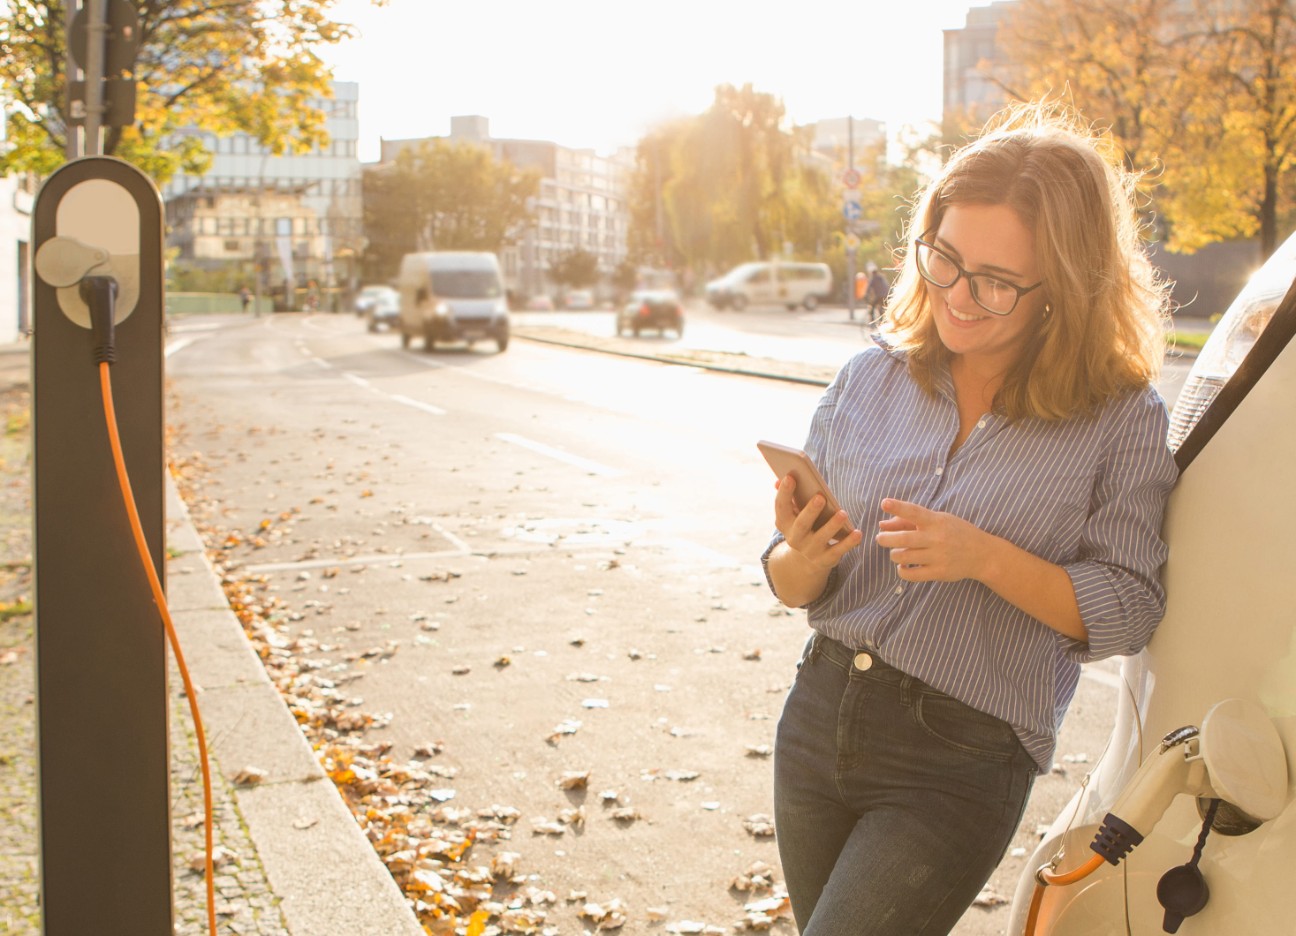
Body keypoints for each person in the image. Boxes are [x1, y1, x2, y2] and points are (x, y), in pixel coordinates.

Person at [762, 103, 1177, 936]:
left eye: (994, 281)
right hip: (818, 716)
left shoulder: (1120, 418)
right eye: (944, 260)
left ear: (1064, 285)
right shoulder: (868, 378)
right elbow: (785, 573)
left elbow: (1131, 607)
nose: (957, 295)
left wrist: (986, 557)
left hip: (959, 760)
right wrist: (801, 558)